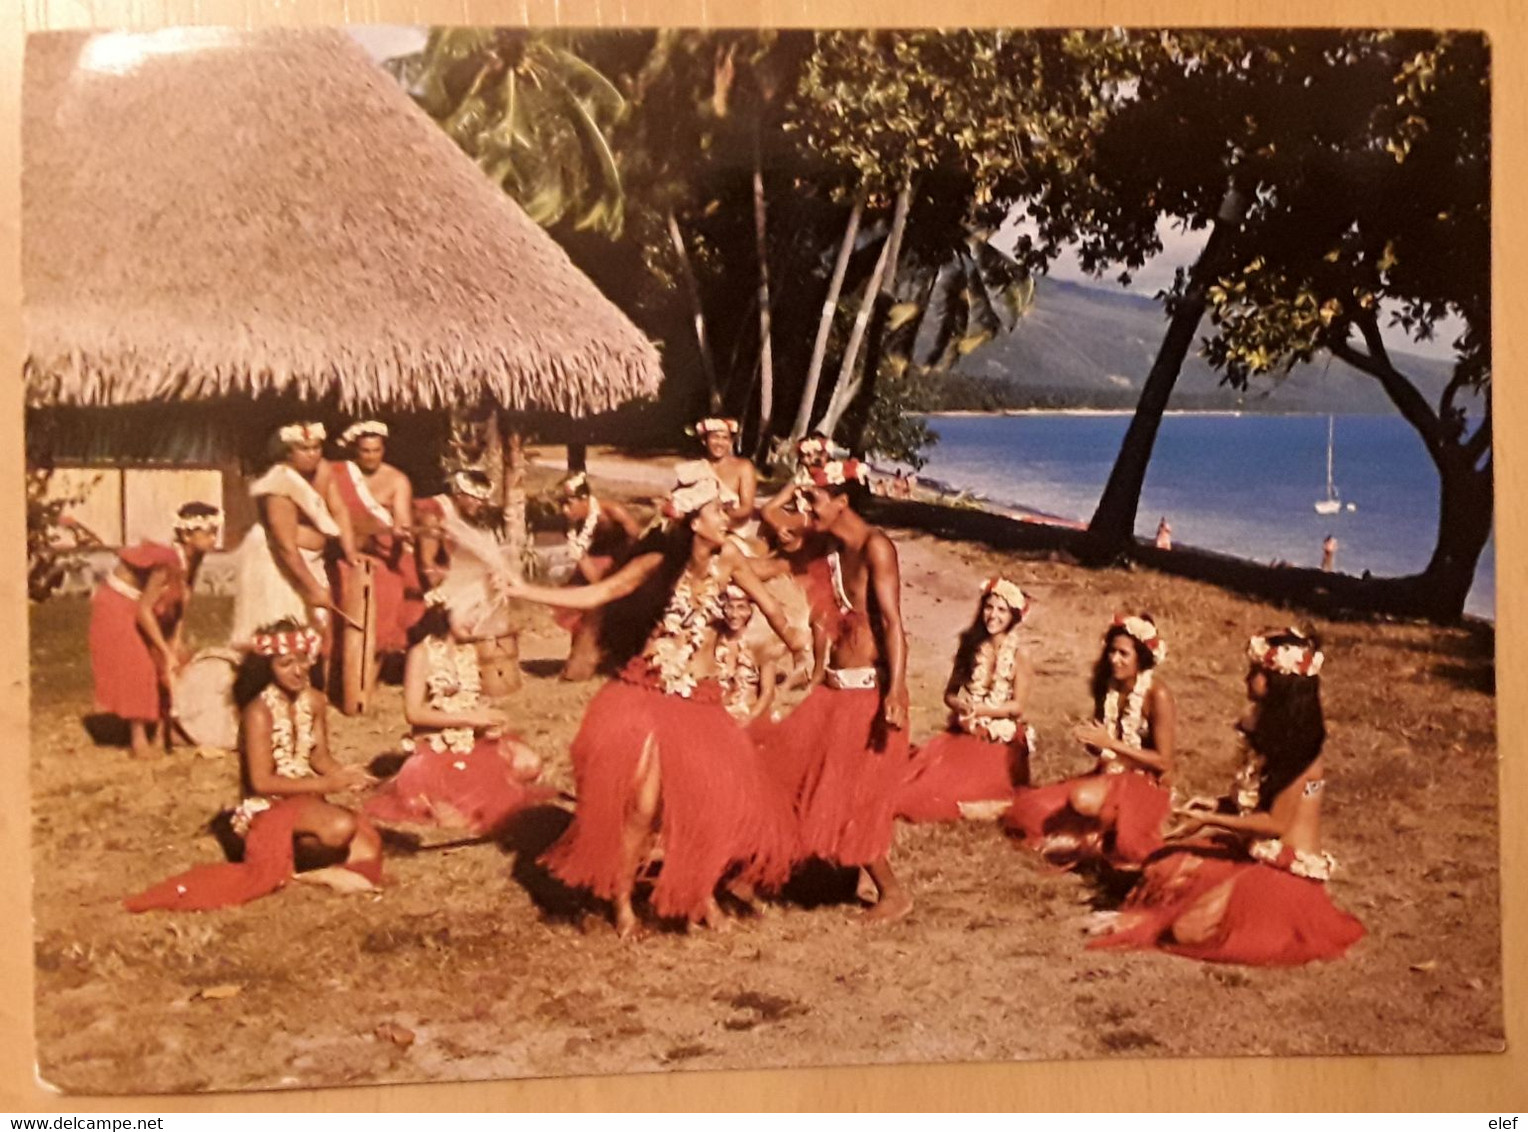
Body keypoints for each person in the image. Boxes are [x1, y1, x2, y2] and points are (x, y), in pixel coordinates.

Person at [502, 465, 809, 938]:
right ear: (693, 521)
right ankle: (623, 901)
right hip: (648, 694)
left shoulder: (729, 559)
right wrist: (524, 589)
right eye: (717, 511)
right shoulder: (656, 564)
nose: (727, 517)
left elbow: (770, 606)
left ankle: (699, 894)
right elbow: (601, 592)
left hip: (700, 704)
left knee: (709, 804)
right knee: (643, 809)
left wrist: (799, 645)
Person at [1089, 628, 1365, 965]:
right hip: (1253, 851)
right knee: (1165, 866)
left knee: (1188, 930)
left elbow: (1274, 824)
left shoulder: (1302, 754)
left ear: (1279, 682)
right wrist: (1216, 804)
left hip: (1284, 869)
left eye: (1256, 672)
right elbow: (1256, 802)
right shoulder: (1272, 732)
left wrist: (1209, 820)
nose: (1247, 678)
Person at [124, 621, 383, 911]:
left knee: (367, 846)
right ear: (267, 668)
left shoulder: (315, 701)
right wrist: (326, 785)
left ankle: (305, 869)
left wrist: (348, 775)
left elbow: (319, 758)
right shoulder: (258, 712)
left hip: (308, 801)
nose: (297, 671)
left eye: (301, 660)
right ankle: (298, 871)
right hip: (268, 808)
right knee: (340, 827)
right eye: (286, 663)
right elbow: (262, 783)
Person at [763, 458, 916, 922]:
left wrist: (896, 690)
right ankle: (791, 870)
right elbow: (771, 518)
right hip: (833, 691)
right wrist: (803, 478)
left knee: (851, 799)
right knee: (788, 774)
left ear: (843, 501)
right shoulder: (827, 546)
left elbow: (892, 623)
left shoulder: (876, 547)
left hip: (868, 693)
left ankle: (892, 893)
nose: (804, 507)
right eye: (804, 498)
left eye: (815, 499)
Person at [365, 592, 553, 835]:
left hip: (472, 741)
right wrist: (470, 719)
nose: (473, 621)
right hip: (437, 747)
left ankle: (476, 787)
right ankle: (444, 797)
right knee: (458, 816)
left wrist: (488, 721)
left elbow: (470, 702)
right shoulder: (422, 653)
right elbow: (413, 713)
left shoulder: (471, 652)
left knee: (529, 763)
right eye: (467, 613)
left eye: (479, 615)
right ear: (446, 610)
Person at [1004, 614, 1176, 868]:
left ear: (1141, 658)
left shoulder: (1157, 694)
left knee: (1083, 801)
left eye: (1123, 654)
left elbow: (1164, 762)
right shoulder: (1107, 686)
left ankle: (1096, 835)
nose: (1114, 659)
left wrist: (1111, 744)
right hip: (1108, 773)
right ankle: (1095, 834)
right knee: (1030, 810)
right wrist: (1093, 742)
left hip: (1145, 781)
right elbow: (1103, 747)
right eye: (1111, 652)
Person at [88, 502, 221, 759]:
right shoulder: (167, 560)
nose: (214, 539)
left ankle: (164, 731)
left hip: (143, 604)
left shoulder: (194, 556)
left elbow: (183, 598)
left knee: (169, 663)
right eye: (208, 533)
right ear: (186, 535)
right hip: (119, 603)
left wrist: (174, 642)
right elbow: (144, 611)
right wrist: (163, 648)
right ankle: (139, 740)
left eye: (215, 532)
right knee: (140, 665)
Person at [897, 577, 1035, 823]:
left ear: (1014, 616)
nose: (993, 616)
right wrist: (962, 706)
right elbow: (950, 694)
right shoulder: (970, 645)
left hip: (999, 737)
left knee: (954, 790)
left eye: (1002, 610)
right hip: (966, 728)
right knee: (920, 780)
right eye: (989, 607)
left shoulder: (1019, 654)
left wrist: (983, 711)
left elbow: (1018, 707)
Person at [230, 422, 358, 648]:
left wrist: (350, 552)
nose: (312, 455)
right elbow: (285, 546)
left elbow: (339, 510)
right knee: (280, 627)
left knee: (315, 628)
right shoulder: (279, 485)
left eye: (316, 448)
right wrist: (313, 588)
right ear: (288, 452)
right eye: (303, 449)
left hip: (310, 558)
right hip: (275, 562)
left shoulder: (324, 470)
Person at [331, 421, 421, 659]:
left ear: (384, 450)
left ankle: (374, 656)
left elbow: (401, 519)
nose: (371, 457)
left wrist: (401, 530)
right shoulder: (340, 474)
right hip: (345, 549)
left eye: (376, 450)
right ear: (355, 451)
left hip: (384, 552)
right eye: (365, 451)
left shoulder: (397, 479)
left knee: (386, 591)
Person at [553, 470, 643, 681]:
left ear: (584, 499)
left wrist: (627, 570)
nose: (565, 511)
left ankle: (625, 659)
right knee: (586, 613)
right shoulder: (571, 527)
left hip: (622, 562)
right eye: (561, 505)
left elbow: (638, 537)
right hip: (593, 569)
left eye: (569, 504)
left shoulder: (613, 512)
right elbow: (587, 567)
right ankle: (580, 663)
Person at [714, 584, 781, 727]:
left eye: (741, 607)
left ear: (751, 609)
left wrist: (749, 718)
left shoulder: (762, 643)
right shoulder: (714, 639)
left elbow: (768, 692)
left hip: (748, 717)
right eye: (729, 607)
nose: (734, 614)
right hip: (716, 716)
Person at [692, 418, 757, 534]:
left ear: (731, 442)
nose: (719, 443)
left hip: (731, 528)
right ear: (704, 440)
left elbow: (746, 508)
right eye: (715, 437)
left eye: (725, 438)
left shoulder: (744, 467)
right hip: (698, 526)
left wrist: (723, 516)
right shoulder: (697, 468)